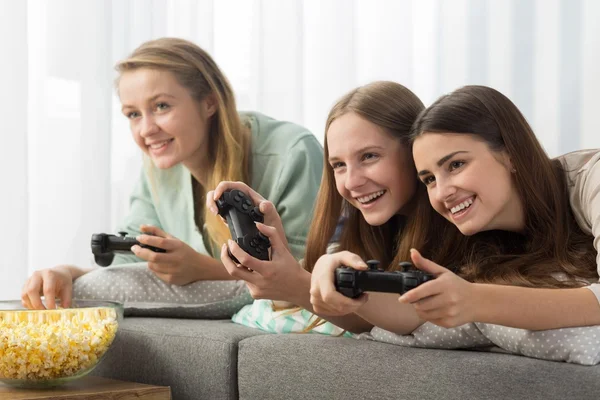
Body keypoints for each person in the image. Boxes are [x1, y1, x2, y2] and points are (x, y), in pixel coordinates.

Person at [21, 37, 323, 310]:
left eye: (161, 106)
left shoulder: (291, 152)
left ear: (209, 101)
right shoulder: (159, 166)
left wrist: (204, 269)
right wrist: (69, 273)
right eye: (133, 114)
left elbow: (303, 277)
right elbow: (129, 259)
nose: (146, 130)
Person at [323, 84, 599, 335]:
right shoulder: (484, 238)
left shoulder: (591, 180)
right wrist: (325, 273)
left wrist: (475, 300)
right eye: (429, 179)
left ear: (512, 153)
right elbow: (412, 317)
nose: (442, 193)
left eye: (456, 165)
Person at [207, 81, 466, 334]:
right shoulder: (360, 233)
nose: (352, 182)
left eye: (369, 156)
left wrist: (296, 283)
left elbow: (415, 319)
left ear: (414, 151)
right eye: (339, 165)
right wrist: (282, 260)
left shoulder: (463, 223)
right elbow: (365, 318)